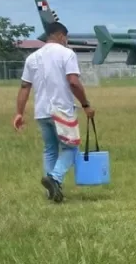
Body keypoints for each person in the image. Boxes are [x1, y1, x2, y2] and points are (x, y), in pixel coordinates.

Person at [13, 22, 96, 203]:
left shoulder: (32, 58)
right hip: (62, 110)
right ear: (60, 36)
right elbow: (73, 82)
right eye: (65, 38)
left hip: (42, 111)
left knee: (50, 150)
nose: (66, 41)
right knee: (72, 149)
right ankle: (55, 178)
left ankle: (53, 191)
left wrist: (19, 113)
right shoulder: (67, 54)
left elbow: (25, 86)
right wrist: (85, 104)